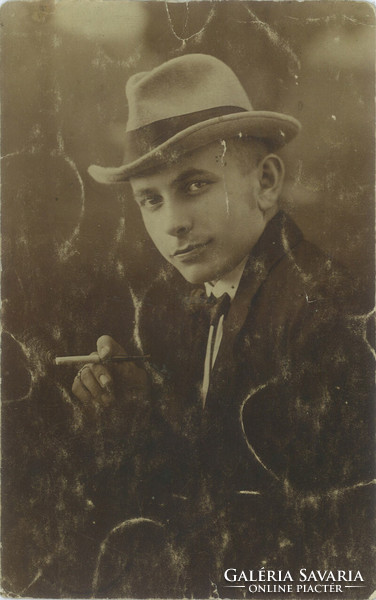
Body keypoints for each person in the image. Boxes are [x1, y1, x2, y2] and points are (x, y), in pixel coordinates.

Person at [72, 54, 374, 598]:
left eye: (193, 186)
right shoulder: (205, 297)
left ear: (265, 181)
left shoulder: (321, 314)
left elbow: (334, 558)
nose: (171, 224)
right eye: (150, 200)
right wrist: (146, 409)